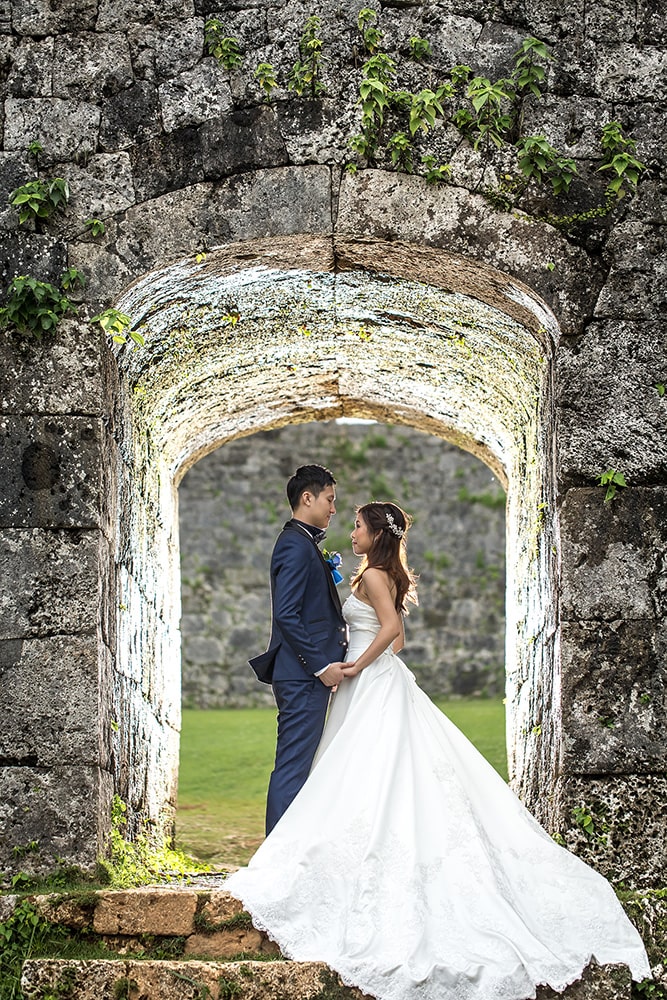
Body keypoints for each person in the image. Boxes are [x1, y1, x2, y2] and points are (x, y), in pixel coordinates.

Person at [228, 501, 651, 1000]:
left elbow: (391, 634)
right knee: (360, 771)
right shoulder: (378, 573)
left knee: (371, 769)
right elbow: (399, 641)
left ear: (376, 533)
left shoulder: (375, 578)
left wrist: (354, 666)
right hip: (375, 682)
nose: (351, 529)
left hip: (370, 683)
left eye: (358, 525)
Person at [248, 464, 348, 834]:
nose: (333, 509)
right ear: (308, 498)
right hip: (303, 675)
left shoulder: (302, 542)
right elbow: (287, 615)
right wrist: (322, 666)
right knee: (293, 765)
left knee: (301, 763)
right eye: (329, 499)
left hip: (304, 674)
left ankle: (288, 852)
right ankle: (276, 859)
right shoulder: (293, 544)